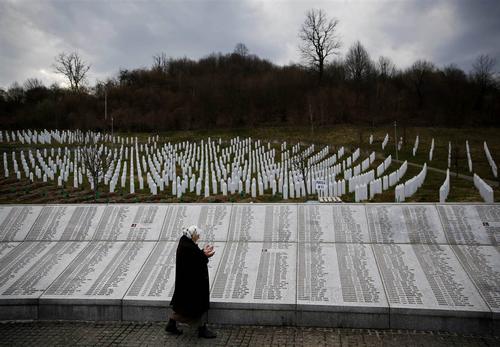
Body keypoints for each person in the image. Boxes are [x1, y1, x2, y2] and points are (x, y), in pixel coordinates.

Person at [165, 225, 217, 338]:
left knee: (182, 308)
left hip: (186, 284)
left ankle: (171, 324)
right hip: (192, 285)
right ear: (192, 235)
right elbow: (195, 261)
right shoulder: (188, 247)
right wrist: (205, 255)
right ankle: (202, 329)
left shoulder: (186, 243)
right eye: (197, 236)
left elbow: (194, 258)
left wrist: (202, 252)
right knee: (196, 308)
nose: (198, 238)